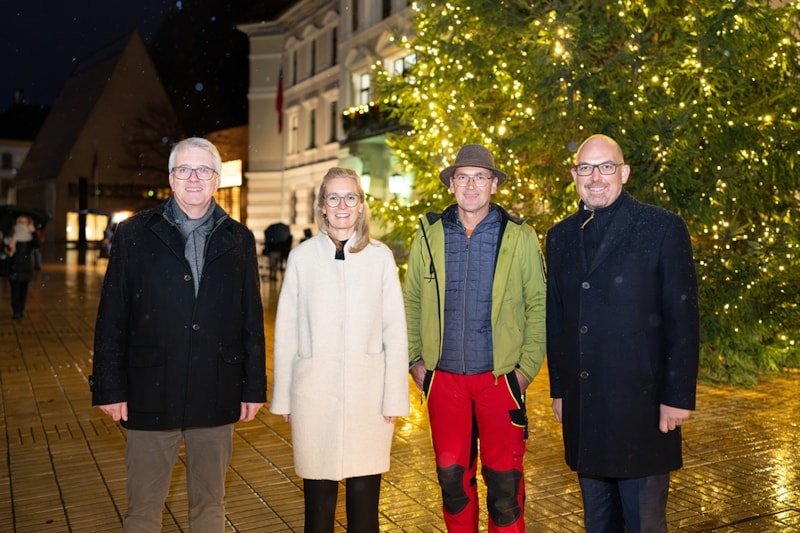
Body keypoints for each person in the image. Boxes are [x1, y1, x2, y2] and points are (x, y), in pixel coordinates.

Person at [90, 137, 266, 532]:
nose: (193, 178)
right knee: (143, 508)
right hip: (150, 388)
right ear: (170, 178)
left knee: (209, 505)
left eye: (203, 170)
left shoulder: (239, 239)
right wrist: (109, 387)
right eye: (183, 169)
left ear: (217, 180)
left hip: (216, 387)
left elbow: (250, 317)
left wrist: (253, 386)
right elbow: (113, 314)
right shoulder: (134, 233)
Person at [546, 134, 700, 533]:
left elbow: (682, 318)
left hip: (642, 410)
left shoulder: (662, 227)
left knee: (644, 523)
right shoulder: (560, 236)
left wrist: (677, 397)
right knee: (598, 522)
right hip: (585, 409)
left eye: (606, 167)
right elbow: (557, 319)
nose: (595, 177)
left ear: (624, 172)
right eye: (585, 168)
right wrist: (559, 390)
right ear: (574, 175)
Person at [404, 144, 547, 532]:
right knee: (452, 481)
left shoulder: (519, 236)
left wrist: (524, 372)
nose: (471, 185)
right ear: (451, 184)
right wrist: (417, 364)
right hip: (444, 381)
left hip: (500, 381)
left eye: (480, 177)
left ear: (494, 185)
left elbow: (539, 304)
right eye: (462, 177)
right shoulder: (429, 235)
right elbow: (412, 299)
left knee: (505, 485)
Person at [270, 167, 409, 532]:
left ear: (361, 206)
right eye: (334, 197)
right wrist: (284, 398)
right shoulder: (302, 258)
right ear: (322, 207)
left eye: (350, 197)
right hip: (314, 396)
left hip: (369, 400)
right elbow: (286, 331)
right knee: (318, 510)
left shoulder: (380, 258)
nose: (342, 205)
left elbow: (395, 330)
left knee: (365, 511)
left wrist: (395, 397)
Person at [4, 215, 41, 320]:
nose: (22, 223)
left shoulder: (30, 235)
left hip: (26, 267)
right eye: (20, 221)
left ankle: (21, 310)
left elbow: (37, 245)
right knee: (15, 290)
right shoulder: (11, 233)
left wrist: (33, 232)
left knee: (23, 291)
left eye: (24, 221)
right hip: (14, 267)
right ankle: (16, 311)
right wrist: (10, 246)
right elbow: (4, 251)